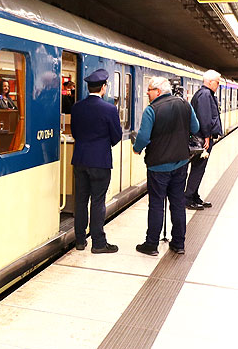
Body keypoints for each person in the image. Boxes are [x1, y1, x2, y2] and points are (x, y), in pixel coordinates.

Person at [132, 76, 199, 256]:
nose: (147, 92)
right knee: (177, 203)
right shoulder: (185, 105)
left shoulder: (151, 110)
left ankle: (152, 244)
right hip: (181, 163)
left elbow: (144, 138)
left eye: (150, 90)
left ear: (158, 91)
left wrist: (136, 149)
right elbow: (195, 127)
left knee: (156, 204)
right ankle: (178, 243)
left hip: (158, 166)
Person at [70, 69, 123, 253]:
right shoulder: (109, 109)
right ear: (103, 87)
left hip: (80, 160)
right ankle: (98, 243)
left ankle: (79, 241)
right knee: (98, 201)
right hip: (100, 162)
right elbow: (116, 137)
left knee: (80, 201)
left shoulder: (76, 107)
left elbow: (75, 133)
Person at [184, 69, 223, 210]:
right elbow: (204, 117)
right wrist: (207, 135)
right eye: (217, 82)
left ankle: (194, 195)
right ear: (210, 82)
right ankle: (188, 198)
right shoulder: (205, 95)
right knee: (198, 168)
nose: (218, 85)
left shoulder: (205, 94)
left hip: (201, 137)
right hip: (202, 138)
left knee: (199, 167)